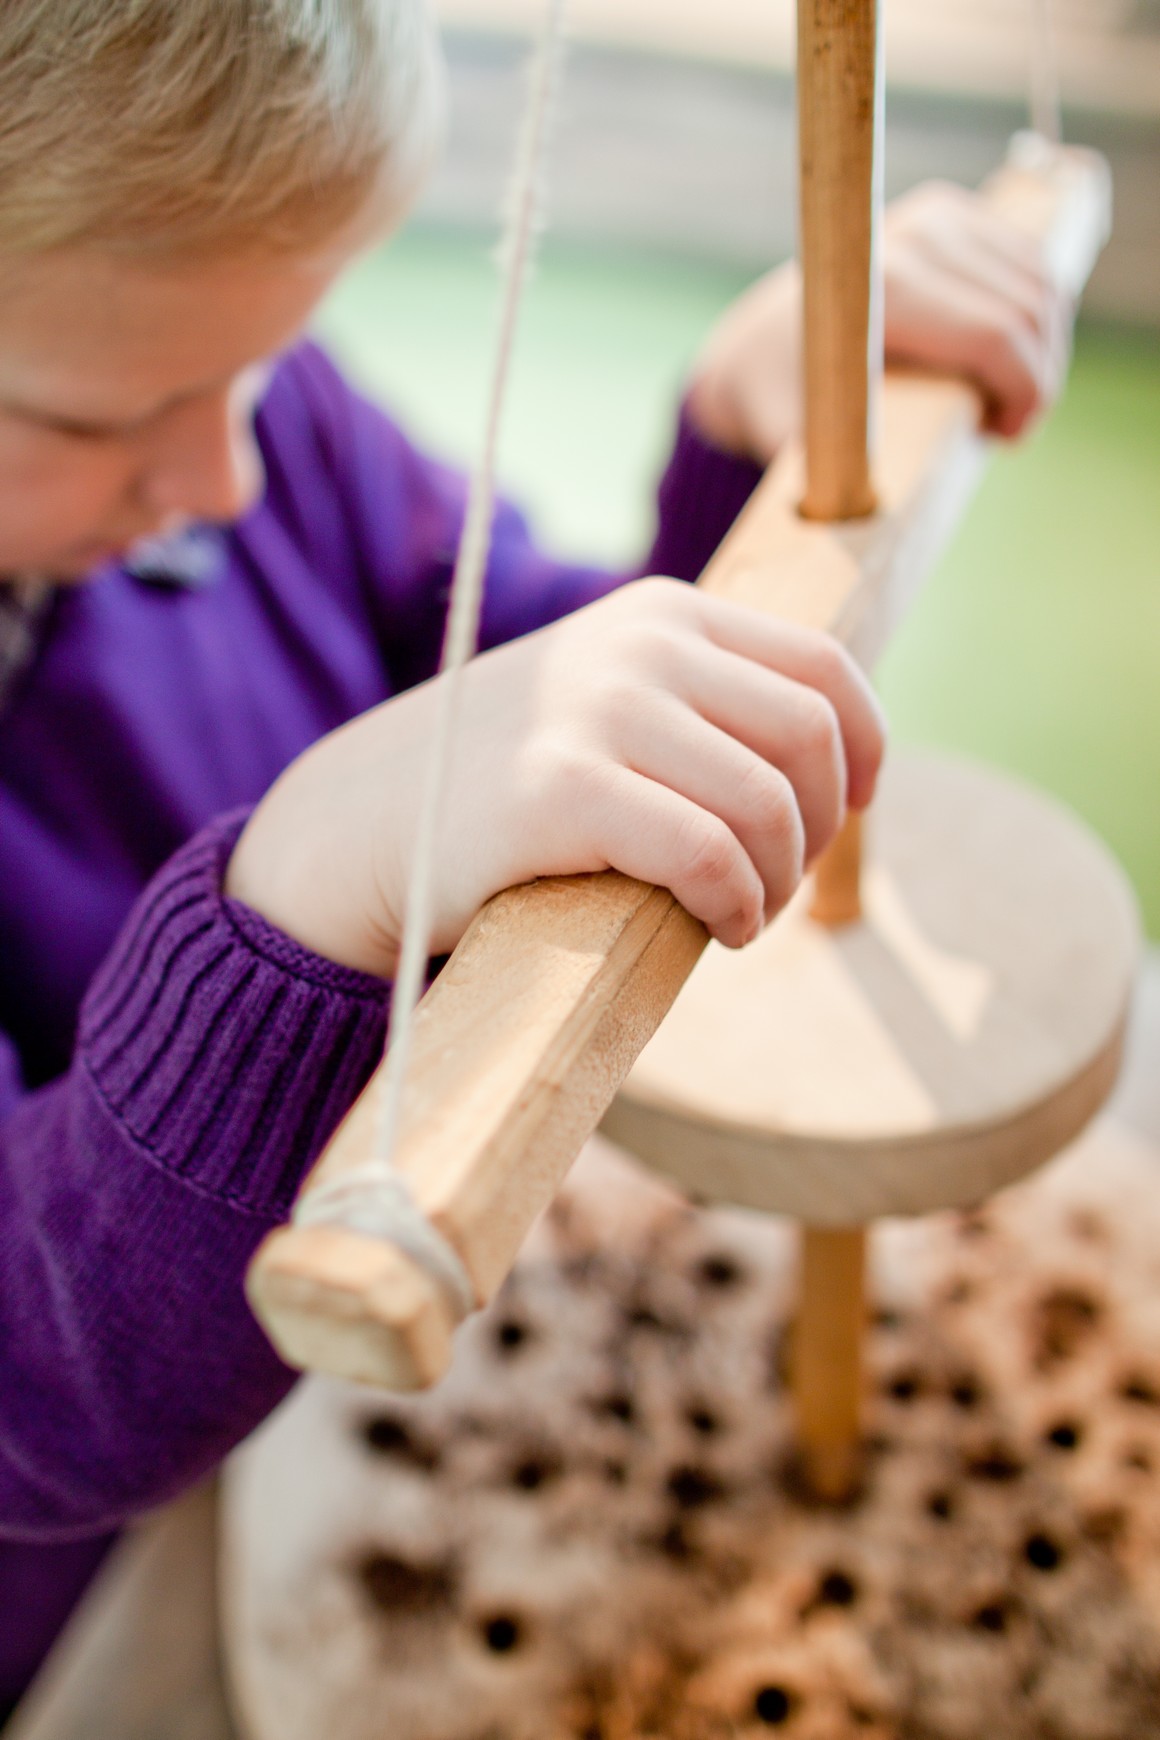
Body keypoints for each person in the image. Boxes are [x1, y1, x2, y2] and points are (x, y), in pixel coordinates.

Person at [0, 0, 1072, 1716]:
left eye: (262, 365)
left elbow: (536, 698)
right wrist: (304, 884)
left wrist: (754, 439)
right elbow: (29, 1382)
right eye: (108, 415)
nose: (220, 475)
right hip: (69, 1584)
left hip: (314, 1404)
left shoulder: (249, 448)